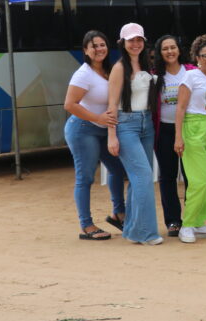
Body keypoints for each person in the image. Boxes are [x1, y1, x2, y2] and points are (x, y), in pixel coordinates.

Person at [63, 30, 127, 241]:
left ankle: (118, 213)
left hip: (104, 129)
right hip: (83, 129)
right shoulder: (83, 74)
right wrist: (97, 118)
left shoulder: (110, 69)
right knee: (86, 177)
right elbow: (69, 104)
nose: (99, 49)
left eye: (102, 44)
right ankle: (86, 225)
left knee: (118, 169)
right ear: (86, 51)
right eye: (94, 46)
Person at [107, 23, 162, 245]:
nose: (136, 44)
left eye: (139, 39)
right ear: (122, 43)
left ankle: (132, 229)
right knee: (143, 178)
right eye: (131, 40)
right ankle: (147, 233)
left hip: (146, 124)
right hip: (126, 124)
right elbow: (111, 104)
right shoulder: (120, 68)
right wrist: (112, 135)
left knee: (140, 179)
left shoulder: (146, 64)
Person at [174, 35, 206, 243]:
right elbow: (180, 107)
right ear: (197, 57)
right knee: (199, 180)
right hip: (193, 128)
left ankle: (199, 221)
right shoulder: (190, 77)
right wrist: (178, 136)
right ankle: (186, 224)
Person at [152, 35, 196, 237]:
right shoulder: (154, 75)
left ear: (179, 49)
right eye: (165, 49)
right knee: (168, 177)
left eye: (173, 47)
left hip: (190, 130)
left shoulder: (192, 71)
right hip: (165, 131)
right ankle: (173, 221)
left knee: (191, 176)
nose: (170, 51)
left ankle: (191, 218)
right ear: (159, 53)